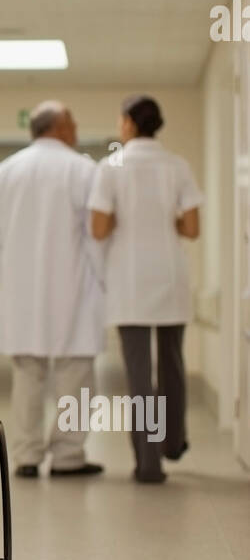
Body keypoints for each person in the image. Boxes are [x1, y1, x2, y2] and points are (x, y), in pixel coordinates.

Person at [0, 101, 105, 478]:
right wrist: (102, 284)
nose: (77, 128)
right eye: (73, 122)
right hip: (75, 290)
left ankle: (27, 456)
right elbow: (95, 239)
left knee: (27, 376)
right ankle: (69, 455)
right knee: (77, 377)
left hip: (21, 294)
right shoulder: (84, 168)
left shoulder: (7, 170)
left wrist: (12, 280)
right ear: (60, 128)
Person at [88, 95, 203, 484]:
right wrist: (162, 217)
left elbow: (99, 228)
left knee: (140, 374)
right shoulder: (178, 166)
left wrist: (126, 217)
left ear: (128, 124)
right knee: (173, 364)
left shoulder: (111, 167)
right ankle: (173, 442)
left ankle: (148, 461)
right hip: (171, 277)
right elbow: (191, 228)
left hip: (130, 282)